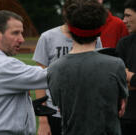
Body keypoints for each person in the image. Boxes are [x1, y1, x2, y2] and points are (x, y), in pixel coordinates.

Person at [47, 0, 128, 135]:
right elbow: (121, 108)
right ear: (99, 29)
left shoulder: (54, 69)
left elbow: (60, 107)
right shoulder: (116, 65)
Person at [32, 0, 103, 134]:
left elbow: (97, 73)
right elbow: (39, 81)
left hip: (85, 112)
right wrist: (43, 120)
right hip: (55, 113)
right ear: (65, 13)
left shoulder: (94, 37)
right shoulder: (47, 37)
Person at [116, 0, 136, 134]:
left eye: (128, 16)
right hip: (126, 117)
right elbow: (118, 79)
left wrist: (131, 77)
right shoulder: (124, 43)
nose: (124, 20)